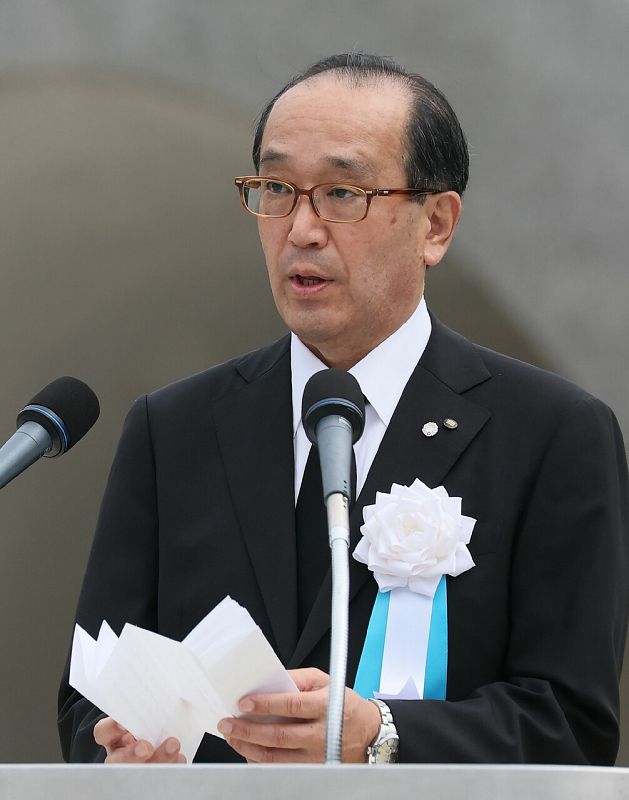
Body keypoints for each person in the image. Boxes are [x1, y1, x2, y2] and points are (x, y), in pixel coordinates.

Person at [58, 53, 628, 765]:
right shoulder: (173, 429)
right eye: (276, 188)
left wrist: (380, 735)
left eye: (341, 193)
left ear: (435, 225)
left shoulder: (551, 434)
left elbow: (571, 728)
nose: (301, 228)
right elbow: (88, 701)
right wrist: (116, 751)